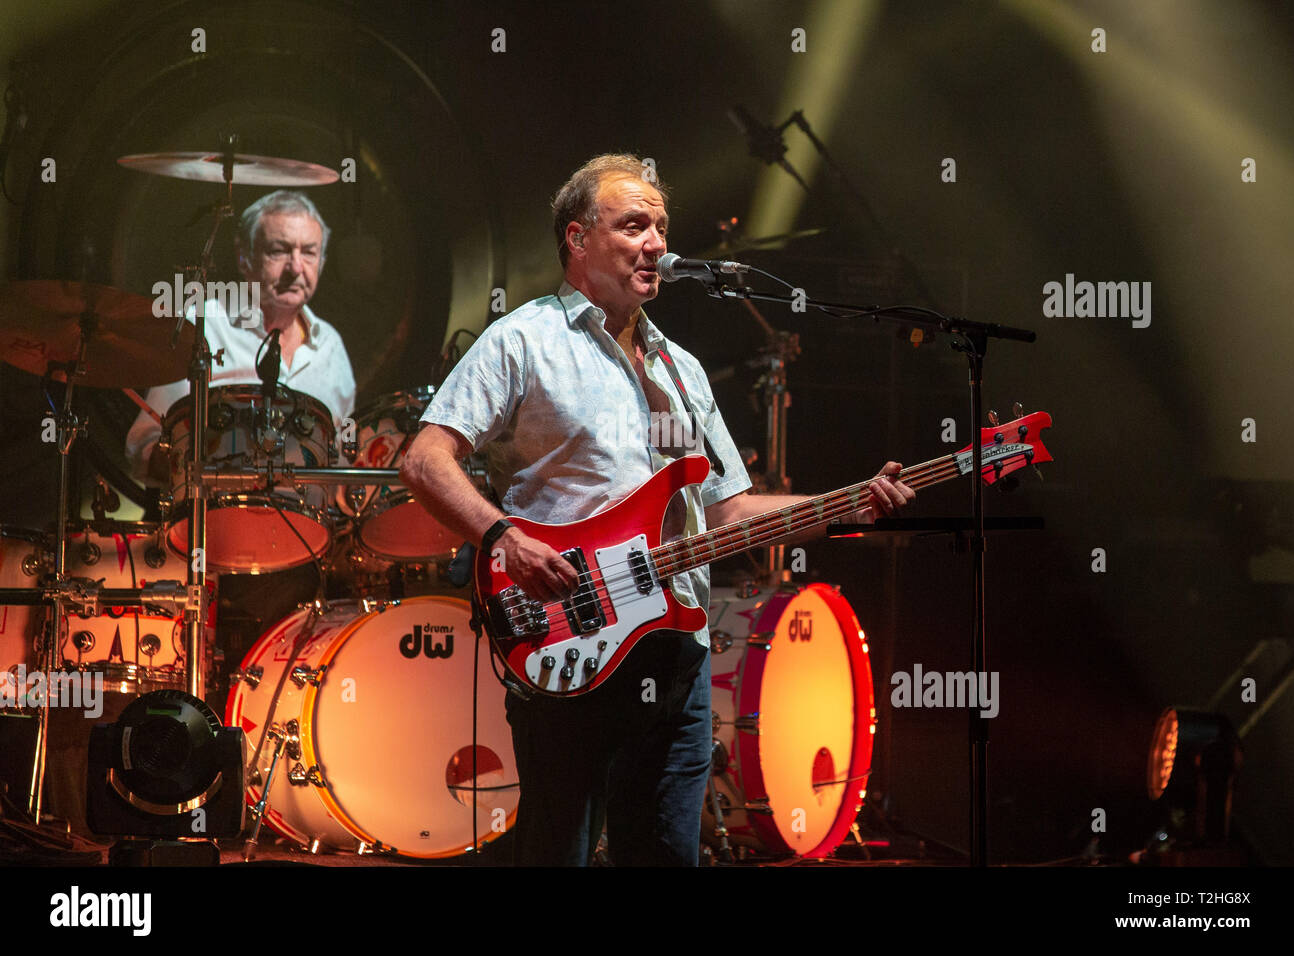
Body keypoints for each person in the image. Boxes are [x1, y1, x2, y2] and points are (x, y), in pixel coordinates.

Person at [399, 154, 914, 866]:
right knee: (559, 853)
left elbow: (729, 511)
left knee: (668, 854)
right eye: (633, 225)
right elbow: (424, 459)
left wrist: (848, 503)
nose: (656, 245)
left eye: (661, 228)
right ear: (578, 241)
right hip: (566, 635)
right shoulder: (525, 340)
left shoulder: (683, 370)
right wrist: (505, 539)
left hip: (677, 648)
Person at [125, 189, 355, 480]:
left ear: (321, 262)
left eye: (309, 252)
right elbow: (147, 446)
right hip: (212, 517)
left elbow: (344, 461)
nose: (296, 268)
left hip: (305, 523)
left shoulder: (331, 346)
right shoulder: (203, 325)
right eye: (279, 250)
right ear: (244, 257)